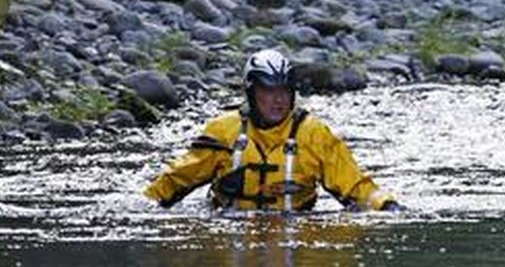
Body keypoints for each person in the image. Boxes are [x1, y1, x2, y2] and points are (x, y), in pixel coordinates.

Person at [144, 49, 401, 213]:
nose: (278, 100)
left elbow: (355, 185)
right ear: (250, 93)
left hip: (293, 229)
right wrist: (145, 205)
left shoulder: (314, 134)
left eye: (284, 91)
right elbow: (176, 179)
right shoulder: (223, 131)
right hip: (231, 227)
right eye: (268, 91)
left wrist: (387, 205)